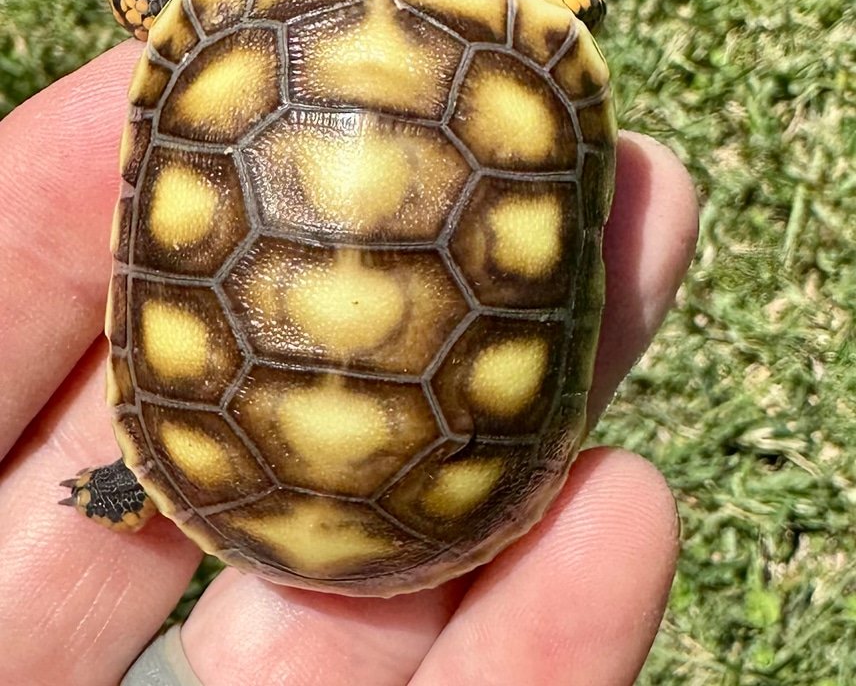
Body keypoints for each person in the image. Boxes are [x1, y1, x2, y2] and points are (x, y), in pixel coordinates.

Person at [0, 40, 697, 685]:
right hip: (421, 509)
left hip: (225, 469)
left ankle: (147, 480)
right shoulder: (526, 54)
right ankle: (147, 479)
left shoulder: (243, 42)